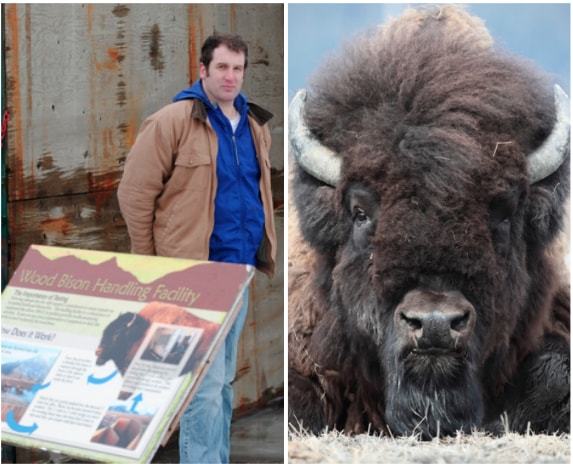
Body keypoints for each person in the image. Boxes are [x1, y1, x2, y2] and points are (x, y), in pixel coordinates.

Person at [117, 33, 276, 463]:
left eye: (238, 69)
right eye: (222, 67)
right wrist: (151, 267)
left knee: (222, 381)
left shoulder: (255, 126)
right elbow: (134, 194)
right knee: (203, 386)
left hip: (237, 272)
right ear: (202, 70)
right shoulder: (172, 121)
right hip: (192, 276)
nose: (230, 76)